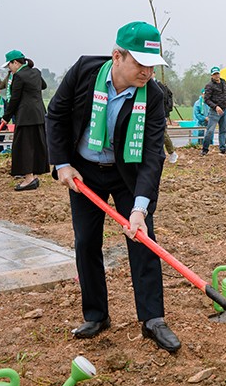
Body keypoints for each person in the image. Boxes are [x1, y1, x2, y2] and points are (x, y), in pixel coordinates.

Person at [45, 21, 180, 353]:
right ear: (117, 56)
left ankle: (152, 320)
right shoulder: (84, 72)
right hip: (84, 171)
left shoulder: (154, 97)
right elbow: (56, 115)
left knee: (143, 240)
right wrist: (62, 164)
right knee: (86, 242)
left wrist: (139, 209)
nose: (147, 72)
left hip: (126, 173)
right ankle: (96, 314)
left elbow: (151, 155)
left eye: (152, 65)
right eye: (140, 63)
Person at [0, 50, 48, 191]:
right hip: (39, 115)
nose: (9, 68)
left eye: (9, 65)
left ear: (15, 62)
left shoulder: (19, 76)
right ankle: (33, 176)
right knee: (35, 146)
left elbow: (14, 100)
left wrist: (6, 117)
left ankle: (28, 179)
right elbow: (43, 86)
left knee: (24, 148)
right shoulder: (36, 72)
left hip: (25, 117)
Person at [201, 66, 226, 155]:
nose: (216, 76)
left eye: (217, 73)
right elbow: (207, 99)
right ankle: (205, 149)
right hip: (215, 111)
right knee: (210, 130)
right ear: (212, 76)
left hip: (224, 110)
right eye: (214, 74)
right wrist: (216, 107)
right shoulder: (209, 86)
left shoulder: (224, 82)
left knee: (223, 129)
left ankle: (222, 148)